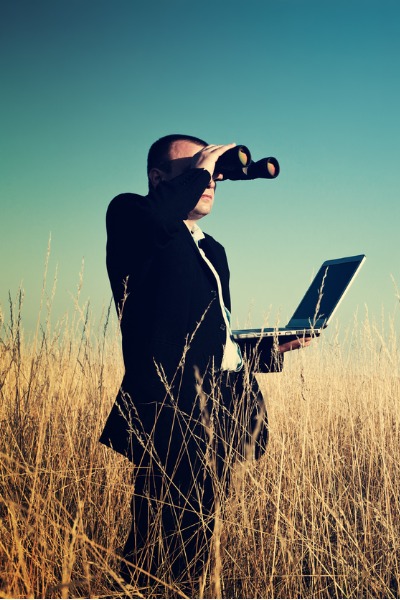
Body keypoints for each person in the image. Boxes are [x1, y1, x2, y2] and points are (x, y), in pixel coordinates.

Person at [99, 134, 303, 592]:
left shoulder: (213, 251)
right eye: (194, 168)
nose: (210, 180)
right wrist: (201, 169)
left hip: (219, 411)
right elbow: (157, 220)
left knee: (190, 539)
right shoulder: (131, 215)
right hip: (170, 412)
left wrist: (271, 348)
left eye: (212, 173)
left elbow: (211, 337)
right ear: (158, 177)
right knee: (161, 543)